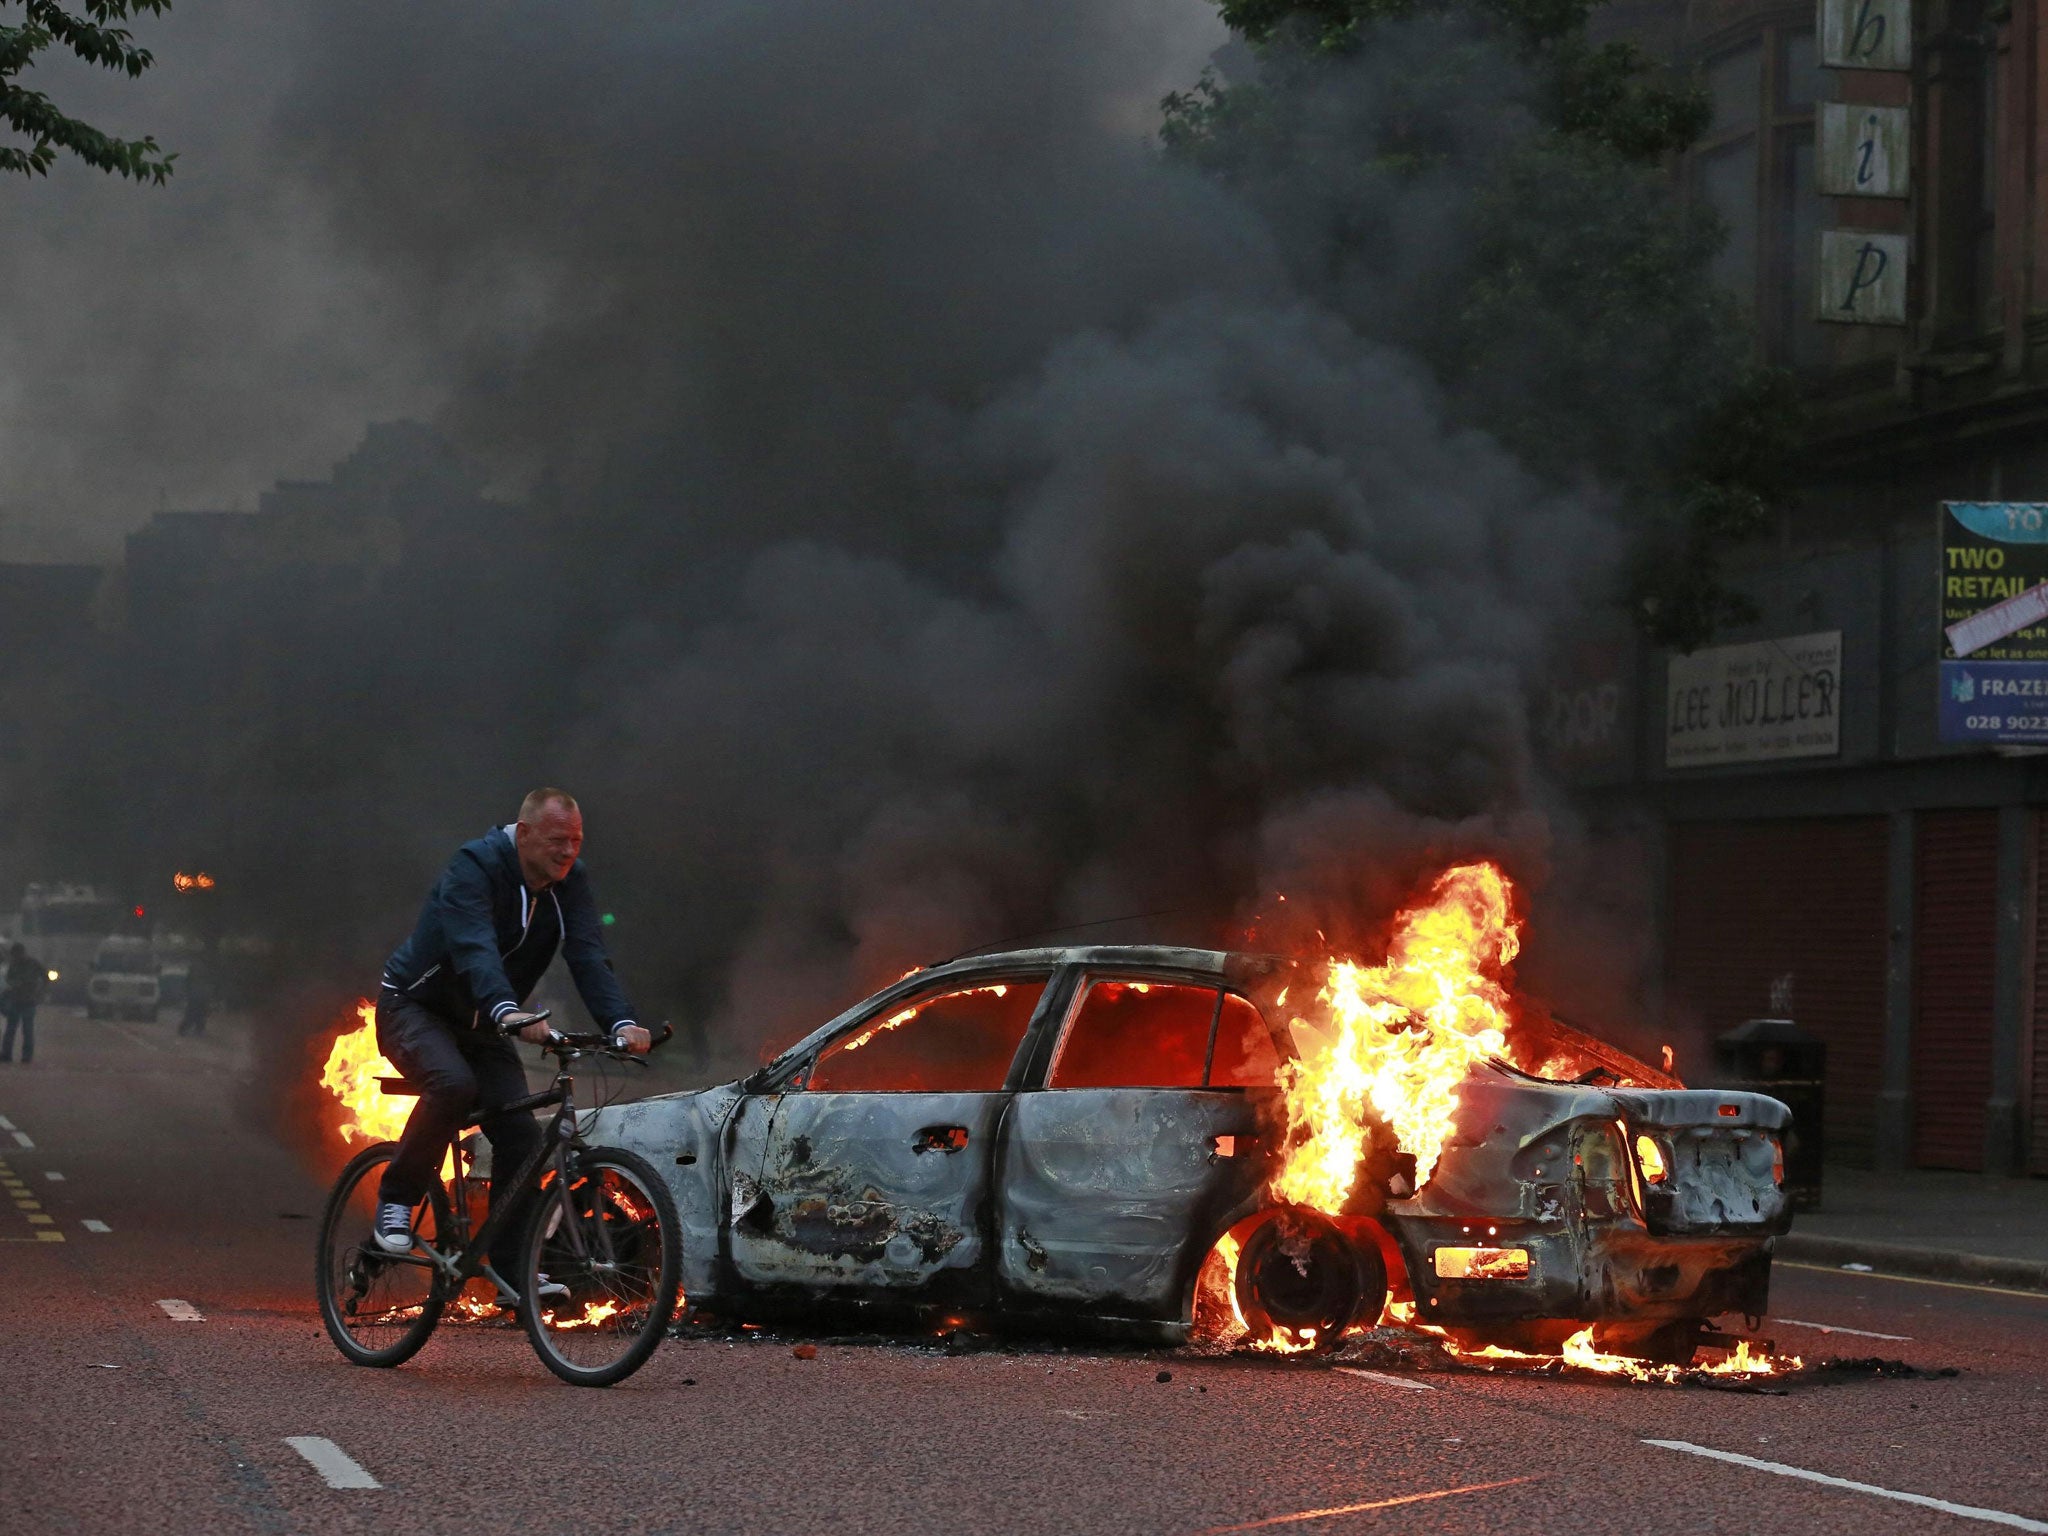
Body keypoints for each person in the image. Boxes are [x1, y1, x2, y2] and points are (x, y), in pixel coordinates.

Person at [373, 787, 649, 1302]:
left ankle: (510, 1267)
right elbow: (474, 946)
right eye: (556, 840)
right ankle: (395, 1198)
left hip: (487, 1024)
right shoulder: (474, 868)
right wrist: (506, 1008)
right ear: (523, 834)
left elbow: (588, 955)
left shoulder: (570, 883)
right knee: (453, 1086)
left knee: (521, 1136)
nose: (568, 852)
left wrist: (622, 1022)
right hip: (414, 1008)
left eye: (576, 841)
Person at [0, 943, 47, 1064]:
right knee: (11, 1029)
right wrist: (14, 984)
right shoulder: (14, 964)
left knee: (27, 1029)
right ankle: (6, 1054)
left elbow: (46, 976)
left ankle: (26, 1056)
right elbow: (9, 978)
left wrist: (41, 990)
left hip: (29, 1000)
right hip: (16, 1000)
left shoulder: (33, 963)